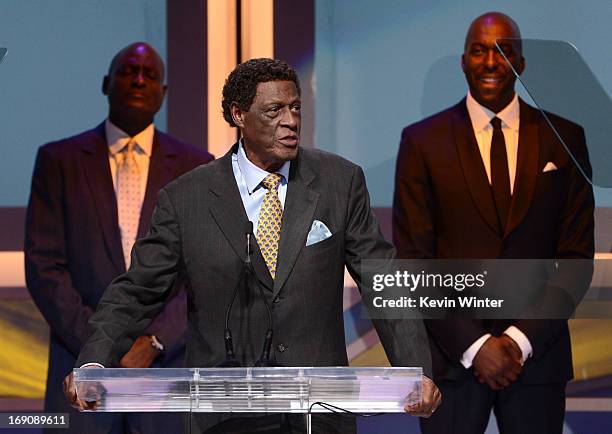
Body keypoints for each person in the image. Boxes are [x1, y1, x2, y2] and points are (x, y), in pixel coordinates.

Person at [64, 58, 441, 433]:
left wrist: (415, 371)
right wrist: (94, 363)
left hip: (318, 413)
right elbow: (136, 291)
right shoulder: (186, 199)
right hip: (223, 414)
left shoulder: (339, 183)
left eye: (296, 108)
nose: (291, 121)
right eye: (274, 110)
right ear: (239, 115)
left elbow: (382, 280)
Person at [392, 12, 594, 434]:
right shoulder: (422, 141)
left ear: (520, 63)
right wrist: (474, 345)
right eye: (478, 50)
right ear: (464, 61)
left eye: (503, 51)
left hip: (537, 361)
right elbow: (414, 261)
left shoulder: (566, 138)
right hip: (452, 363)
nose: (489, 61)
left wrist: (520, 341)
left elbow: (575, 258)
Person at [25, 42, 213, 434]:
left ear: (163, 93)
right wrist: (103, 344)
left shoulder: (198, 167)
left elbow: (204, 271)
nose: (139, 79)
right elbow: (45, 268)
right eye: (128, 71)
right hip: (81, 372)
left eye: (150, 74)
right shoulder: (59, 162)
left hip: (165, 375)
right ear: (106, 84)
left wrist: (157, 340)